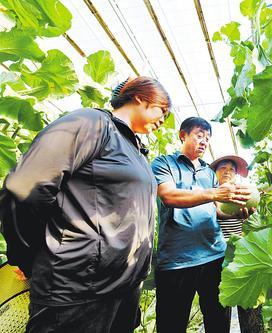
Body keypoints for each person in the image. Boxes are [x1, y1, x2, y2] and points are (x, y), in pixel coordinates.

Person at [3, 76, 171, 333]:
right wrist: (26, 256)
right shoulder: (91, 124)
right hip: (77, 289)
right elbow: (25, 187)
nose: (163, 120)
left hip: (121, 288)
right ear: (140, 96)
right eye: (163, 110)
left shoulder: (133, 147)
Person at [151, 117, 252, 333]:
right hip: (176, 261)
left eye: (207, 138)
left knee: (218, 324)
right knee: (171, 326)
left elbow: (214, 211)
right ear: (182, 135)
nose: (204, 141)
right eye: (199, 135)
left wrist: (239, 212)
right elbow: (168, 196)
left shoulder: (208, 173)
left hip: (214, 256)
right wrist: (214, 192)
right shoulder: (164, 163)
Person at [211, 156, 265, 333]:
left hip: (242, 256)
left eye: (232, 169)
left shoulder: (244, 192)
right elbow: (218, 211)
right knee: (220, 312)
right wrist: (234, 213)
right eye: (222, 168)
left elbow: (254, 224)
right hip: (217, 258)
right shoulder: (210, 194)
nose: (227, 172)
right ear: (215, 173)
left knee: (250, 311)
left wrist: (250, 214)